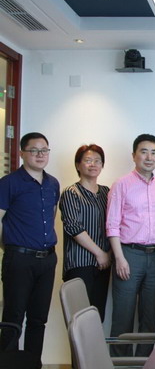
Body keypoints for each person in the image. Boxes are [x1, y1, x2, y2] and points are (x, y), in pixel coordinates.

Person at [106, 134, 155, 357]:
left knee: (149, 316)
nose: (149, 157)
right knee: (122, 316)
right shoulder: (121, 184)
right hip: (128, 254)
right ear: (134, 155)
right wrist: (119, 258)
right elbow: (112, 224)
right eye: (144, 152)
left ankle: (145, 362)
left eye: (154, 152)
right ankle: (120, 363)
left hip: (154, 256)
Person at [0, 132, 60, 362]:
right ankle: (7, 364)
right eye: (34, 150)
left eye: (44, 150)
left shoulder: (53, 183)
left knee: (38, 319)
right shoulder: (9, 183)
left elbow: (51, 216)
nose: (40, 154)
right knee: (13, 319)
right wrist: (10, 248)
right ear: (22, 153)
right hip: (19, 259)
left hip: (47, 259)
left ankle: (33, 364)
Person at [59, 144, 111, 321]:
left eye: (98, 161)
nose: (93, 164)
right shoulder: (71, 193)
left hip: (103, 265)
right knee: (79, 318)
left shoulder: (106, 192)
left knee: (97, 317)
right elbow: (73, 227)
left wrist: (108, 255)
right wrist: (100, 253)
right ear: (78, 165)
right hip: (80, 263)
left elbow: (113, 224)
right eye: (88, 160)